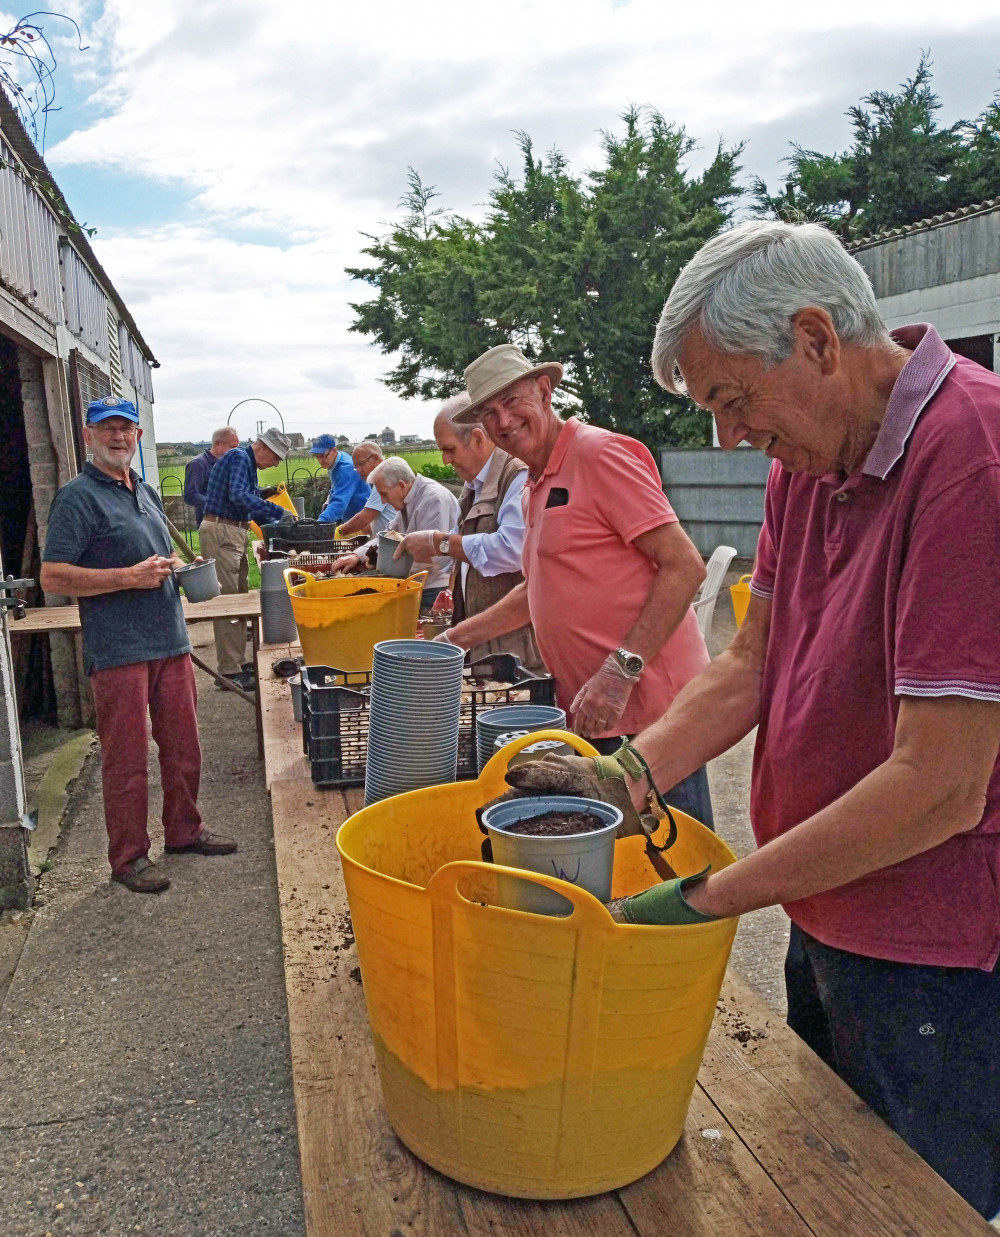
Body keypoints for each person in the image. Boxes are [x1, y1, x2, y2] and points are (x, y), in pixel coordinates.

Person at [501, 220, 1000, 1222]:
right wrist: (625, 776)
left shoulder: (971, 456)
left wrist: (706, 895)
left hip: (935, 946)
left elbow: (941, 784)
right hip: (828, 901)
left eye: (732, 400)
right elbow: (749, 662)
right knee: (829, 1180)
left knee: (917, 1202)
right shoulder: (808, 459)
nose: (728, 437)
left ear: (815, 339)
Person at [444, 343, 713, 824]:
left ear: (545, 391)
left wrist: (619, 672)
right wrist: (456, 638)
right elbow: (539, 590)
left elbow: (684, 566)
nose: (503, 421)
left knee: (677, 864)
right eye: (489, 412)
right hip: (596, 711)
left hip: (649, 709)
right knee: (623, 863)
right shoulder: (535, 482)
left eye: (512, 402)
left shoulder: (599, 454)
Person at [39, 397, 237, 895]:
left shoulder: (143, 489)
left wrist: (169, 565)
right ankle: (128, 857)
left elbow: (149, 553)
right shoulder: (77, 497)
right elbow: (54, 575)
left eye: (127, 429)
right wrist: (128, 577)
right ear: (88, 436)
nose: (119, 437)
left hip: (169, 639)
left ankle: (184, 832)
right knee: (126, 759)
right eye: (107, 429)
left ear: (139, 437)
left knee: (183, 746)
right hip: (120, 649)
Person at [396, 393, 543, 673]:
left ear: (477, 439)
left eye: (449, 449)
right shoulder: (475, 484)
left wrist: (439, 543)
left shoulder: (517, 476)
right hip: (489, 648)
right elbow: (465, 540)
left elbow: (513, 549)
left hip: (517, 652)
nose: (445, 460)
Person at [200, 428, 292, 690]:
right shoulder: (240, 457)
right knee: (228, 602)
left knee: (238, 598)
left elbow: (245, 495)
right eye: (275, 457)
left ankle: (237, 662)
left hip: (232, 530)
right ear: (263, 447)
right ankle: (229, 672)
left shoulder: (245, 462)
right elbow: (239, 496)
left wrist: (265, 496)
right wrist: (277, 511)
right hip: (223, 530)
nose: (274, 463)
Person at [330, 457, 459, 607]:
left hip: (435, 587)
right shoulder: (407, 499)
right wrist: (357, 556)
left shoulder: (434, 500)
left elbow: (435, 555)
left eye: (384, 494)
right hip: (415, 583)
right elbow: (388, 536)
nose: (383, 501)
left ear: (401, 486)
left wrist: (385, 562)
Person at [183, 427, 239, 528]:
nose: (236, 451)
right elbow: (190, 495)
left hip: (232, 525)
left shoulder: (228, 463)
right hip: (212, 526)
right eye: (232, 447)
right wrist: (218, 505)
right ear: (218, 444)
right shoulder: (198, 464)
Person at [336, 442, 394, 537]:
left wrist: (340, 532)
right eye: (356, 467)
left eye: (361, 464)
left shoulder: (384, 478)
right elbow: (374, 521)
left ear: (376, 458)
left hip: (391, 542)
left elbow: (365, 517)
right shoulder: (380, 478)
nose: (359, 470)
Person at [310, 434, 370, 525]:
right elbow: (335, 488)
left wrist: (318, 524)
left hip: (363, 520)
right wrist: (328, 502)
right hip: (352, 517)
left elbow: (339, 503)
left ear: (334, 450)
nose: (321, 460)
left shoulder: (345, 468)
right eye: (317, 456)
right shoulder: (335, 461)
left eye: (323, 455)